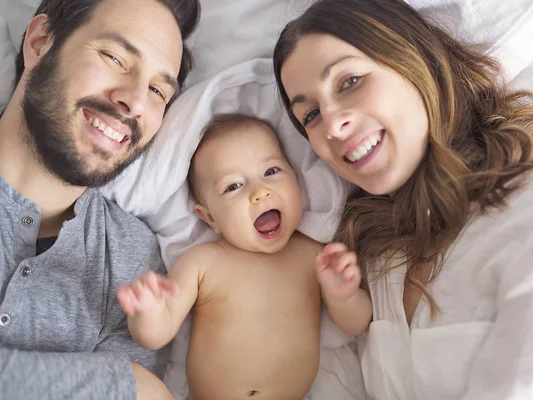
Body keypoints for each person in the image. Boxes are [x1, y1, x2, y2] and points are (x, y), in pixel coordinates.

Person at [273, 0, 533, 399]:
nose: (333, 124)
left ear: (415, 63)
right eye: (310, 116)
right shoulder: (379, 261)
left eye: (350, 82)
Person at [0, 0, 199, 399]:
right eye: (115, 57)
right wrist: (128, 386)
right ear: (39, 43)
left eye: (158, 90)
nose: (137, 102)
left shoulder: (133, 265)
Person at [116, 113, 373, 400]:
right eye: (233, 186)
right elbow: (155, 336)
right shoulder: (202, 262)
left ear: (297, 181)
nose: (260, 192)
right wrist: (147, 311)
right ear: (209, 217)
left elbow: (357, 324)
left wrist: (344, 295)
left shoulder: (315, 257)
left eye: (271, 171)